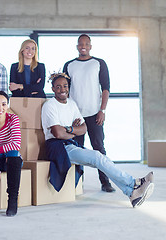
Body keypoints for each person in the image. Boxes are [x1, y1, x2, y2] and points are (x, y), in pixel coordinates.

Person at [41, 73, 154, 208]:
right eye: (58, 87)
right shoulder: (50, 106)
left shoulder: (71, 104)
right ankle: (134, 183)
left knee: (102, 160)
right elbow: (57, 133)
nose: (62, 89)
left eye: (65, 86)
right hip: (57, 147)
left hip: (70, 144)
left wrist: (69, 129)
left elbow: (83, 128)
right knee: (97, 157)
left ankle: (131, 193)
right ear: (53, 89)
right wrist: (73, 130)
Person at [63, 34, 115, 193]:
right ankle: (78, 183)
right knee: (77, 150)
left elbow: (105, 88)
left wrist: (102, 110)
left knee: (99, 148)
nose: (83, 46)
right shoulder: (69, 65)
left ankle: (105, 182)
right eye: (80, 44)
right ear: (77, 46)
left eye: (86, 44)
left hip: (94, 114)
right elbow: (65, 90)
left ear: (90, 46)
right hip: (76, 117)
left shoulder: (99, 63)